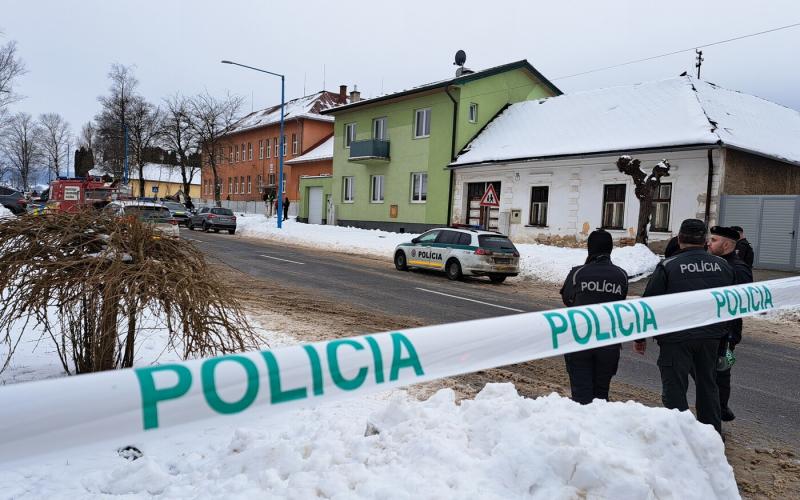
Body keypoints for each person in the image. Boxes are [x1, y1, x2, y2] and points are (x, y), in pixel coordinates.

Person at [634, 219, 735, 434]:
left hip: (676, 338)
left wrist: (640, 337)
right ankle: (711, 438)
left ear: (679, 239)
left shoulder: (668, 266)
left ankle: (679, 438)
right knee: (708, 386)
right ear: (705, 241)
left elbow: (649, 305)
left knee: (675, 389)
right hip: (711, 337)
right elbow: (730, 304)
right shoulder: (723, 266)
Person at [559, 229, 629, 404]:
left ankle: (583, 429)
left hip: (579, 341)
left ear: (590, 249)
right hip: (609, 343)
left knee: (581, 396)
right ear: (610, 249)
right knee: (601, 396)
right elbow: (621, 301)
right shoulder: (621, 275)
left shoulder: (578, 273)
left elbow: (567, 299)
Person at [707, 226, 753, 422]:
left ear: (726, 245)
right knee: (711, 374)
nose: (709, 243)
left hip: (727, 334)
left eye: (714, 240)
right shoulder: (714, 263)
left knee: (721, 373)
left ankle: (720, 410)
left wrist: (730, 334)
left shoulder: (738, 268)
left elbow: (742, 302)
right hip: (713, 330)